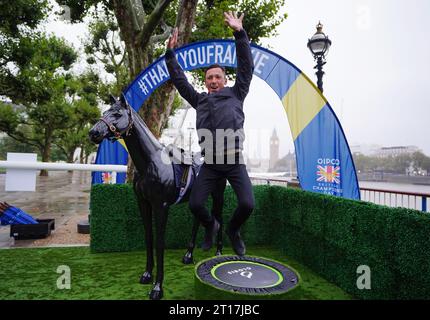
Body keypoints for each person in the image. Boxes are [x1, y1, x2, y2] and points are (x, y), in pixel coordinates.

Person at [165, 12, 254, 256]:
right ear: (205, 82)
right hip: (211, 164)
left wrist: (240, 33)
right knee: (195, 204)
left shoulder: (237, 93)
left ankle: (233, 230)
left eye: (217, 77)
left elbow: (246, 66)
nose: (213, 80)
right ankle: (211, 225)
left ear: (225, 80)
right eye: (209, 78)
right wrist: (170, 55)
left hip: (234, 161)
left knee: (247, 204)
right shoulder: (200, 100)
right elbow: (181, 82)